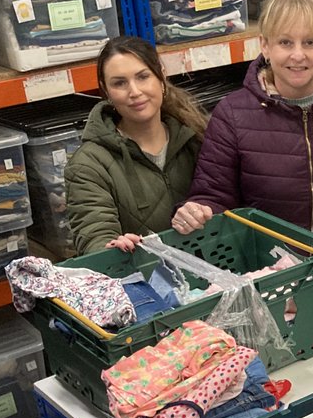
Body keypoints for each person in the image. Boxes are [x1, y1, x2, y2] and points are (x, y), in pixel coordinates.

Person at [173, 0, 313, 281]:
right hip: (267, 276)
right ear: (265, 46)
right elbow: (214, 197)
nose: (298, 55)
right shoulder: (232, 114)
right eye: (285, 42)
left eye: (310, 42)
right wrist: (195, 212)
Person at [65, 36, 209, 254]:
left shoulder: (197, 137)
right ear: (106, 91)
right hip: (139, 272)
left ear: (161, 76)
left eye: (143, 77)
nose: (134, 92)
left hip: (214, 267)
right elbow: (94, 236)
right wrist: (112, 248)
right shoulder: (89, 164)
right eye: (119, 83)